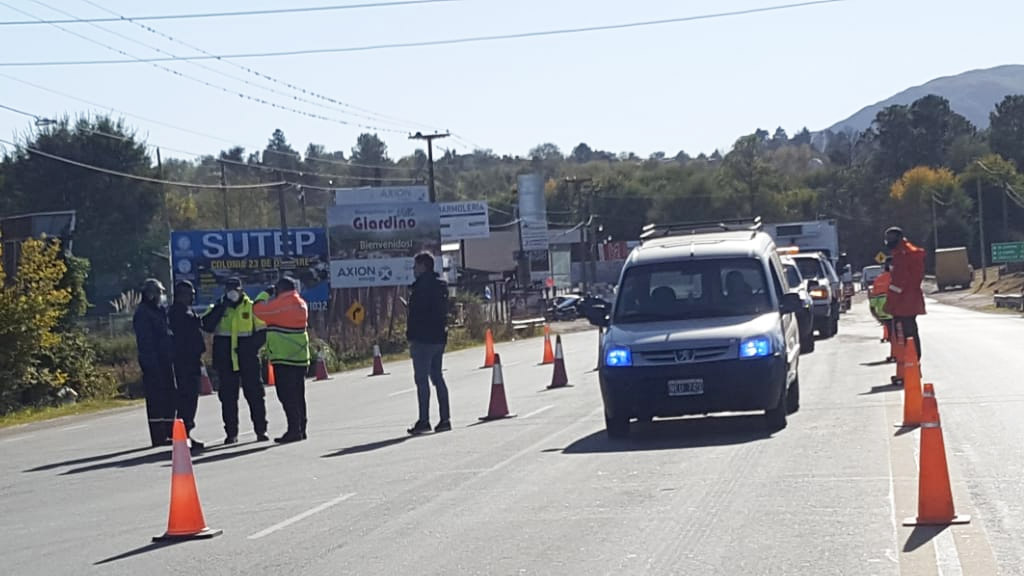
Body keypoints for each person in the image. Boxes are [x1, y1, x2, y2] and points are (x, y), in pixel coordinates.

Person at [201, 277, 269, 444]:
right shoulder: (217, 307)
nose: (233, 293)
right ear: (225, 291)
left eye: (236, 289)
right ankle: (231, 433)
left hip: (248, 359)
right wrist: (221, 307)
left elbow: (262, 332)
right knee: (228, 398)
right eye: (230, 289)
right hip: (225, 361)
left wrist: (251, 347)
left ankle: (261, 430)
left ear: (241, 290)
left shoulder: (252, 308)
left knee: (255, 395)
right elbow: (207, 325)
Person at [253, 277, 310, 443]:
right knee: (298, 395)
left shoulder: (282, 305)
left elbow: (257, 310)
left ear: (281, 289)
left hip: (285, 358)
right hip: (299, 357)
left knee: (286, 395)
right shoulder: (300, 303)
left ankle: (294, 430)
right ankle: (301, 428)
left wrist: (265, 293)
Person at [406, 252, 451, 435]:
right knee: (437, 377)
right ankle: (445, 418)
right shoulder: (441, 286)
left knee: (422, 380)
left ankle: (424, 420)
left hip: (423, 339)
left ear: (423, 266)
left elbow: (417, 315)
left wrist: (411, 335)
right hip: (439, 337)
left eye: (416, 267)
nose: (413, 270)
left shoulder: (421, 289)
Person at [132, 279, 176, 447]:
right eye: (159, 293)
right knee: (156, 398)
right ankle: (159, 436)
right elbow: (145, 341)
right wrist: (151, 363)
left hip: (166, 360)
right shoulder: (143, 313)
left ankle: (170, 431)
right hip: (153, 362)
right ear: (150, 294)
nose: (161, 296)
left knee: (170, 396)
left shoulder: (160, 311)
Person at [168, 280, 206, 450]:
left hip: (190, 360)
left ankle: (185, 434)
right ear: (182, 295)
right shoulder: (179, 313)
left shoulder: (184, 311)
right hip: (185, 362)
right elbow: (194, 325)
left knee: (190, 399)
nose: (192, 297)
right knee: (187, 400)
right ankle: (184, 436)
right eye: (190, 294)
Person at [883, 227, 925, 359]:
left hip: (903, 301)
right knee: (911, 329)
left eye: (891, 238)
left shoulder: (902, 255)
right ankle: (913, 359)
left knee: (906, 333)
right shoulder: (909, 252)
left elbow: (898, 282)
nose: (889, 242)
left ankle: (910, 361)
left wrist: (890, 303)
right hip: (913, 298)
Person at [869, 258, 893, 343]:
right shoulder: (898, 277)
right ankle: (891, 337)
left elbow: (874, 295)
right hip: (896, 308)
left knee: (887, 323)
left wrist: (872, 307)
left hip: (882, 310)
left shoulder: (879, 279)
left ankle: (888, 336)